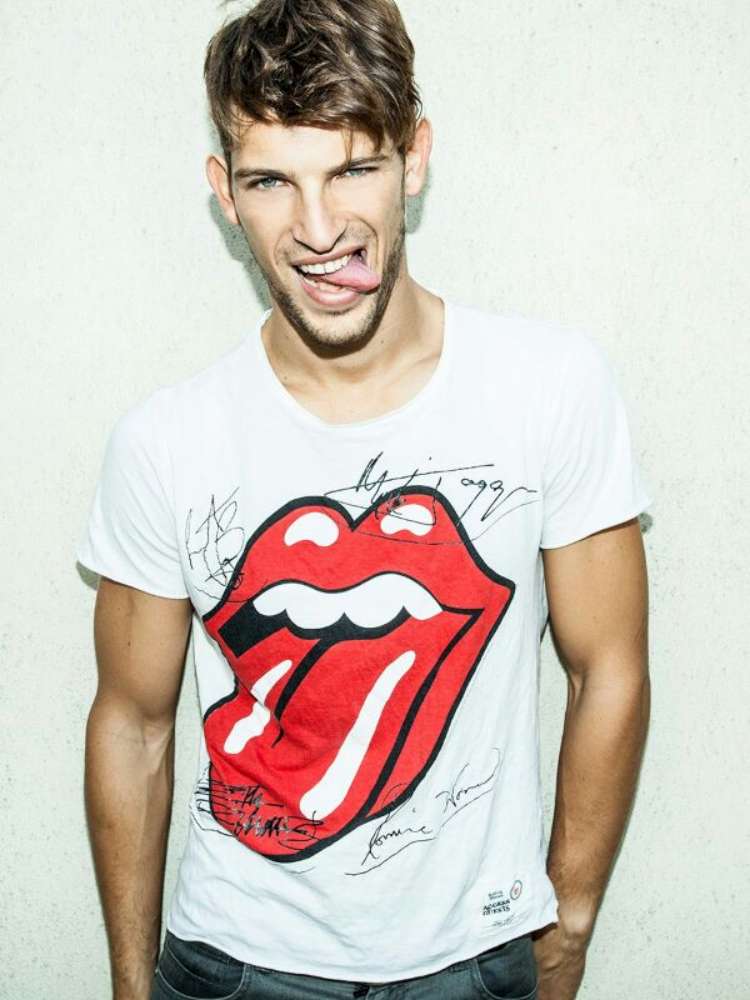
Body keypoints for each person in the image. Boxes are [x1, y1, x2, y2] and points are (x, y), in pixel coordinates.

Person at [76, 1, 653, 998]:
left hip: (475, 962)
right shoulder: (165, 441)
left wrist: (567, 925)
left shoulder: (550, 387)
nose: (319, 229)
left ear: (413, 160)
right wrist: (132, 985)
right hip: (233, 964)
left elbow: (610, 668)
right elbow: (133, 724)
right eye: (271, 180)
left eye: (352, 169)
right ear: (224, 193)